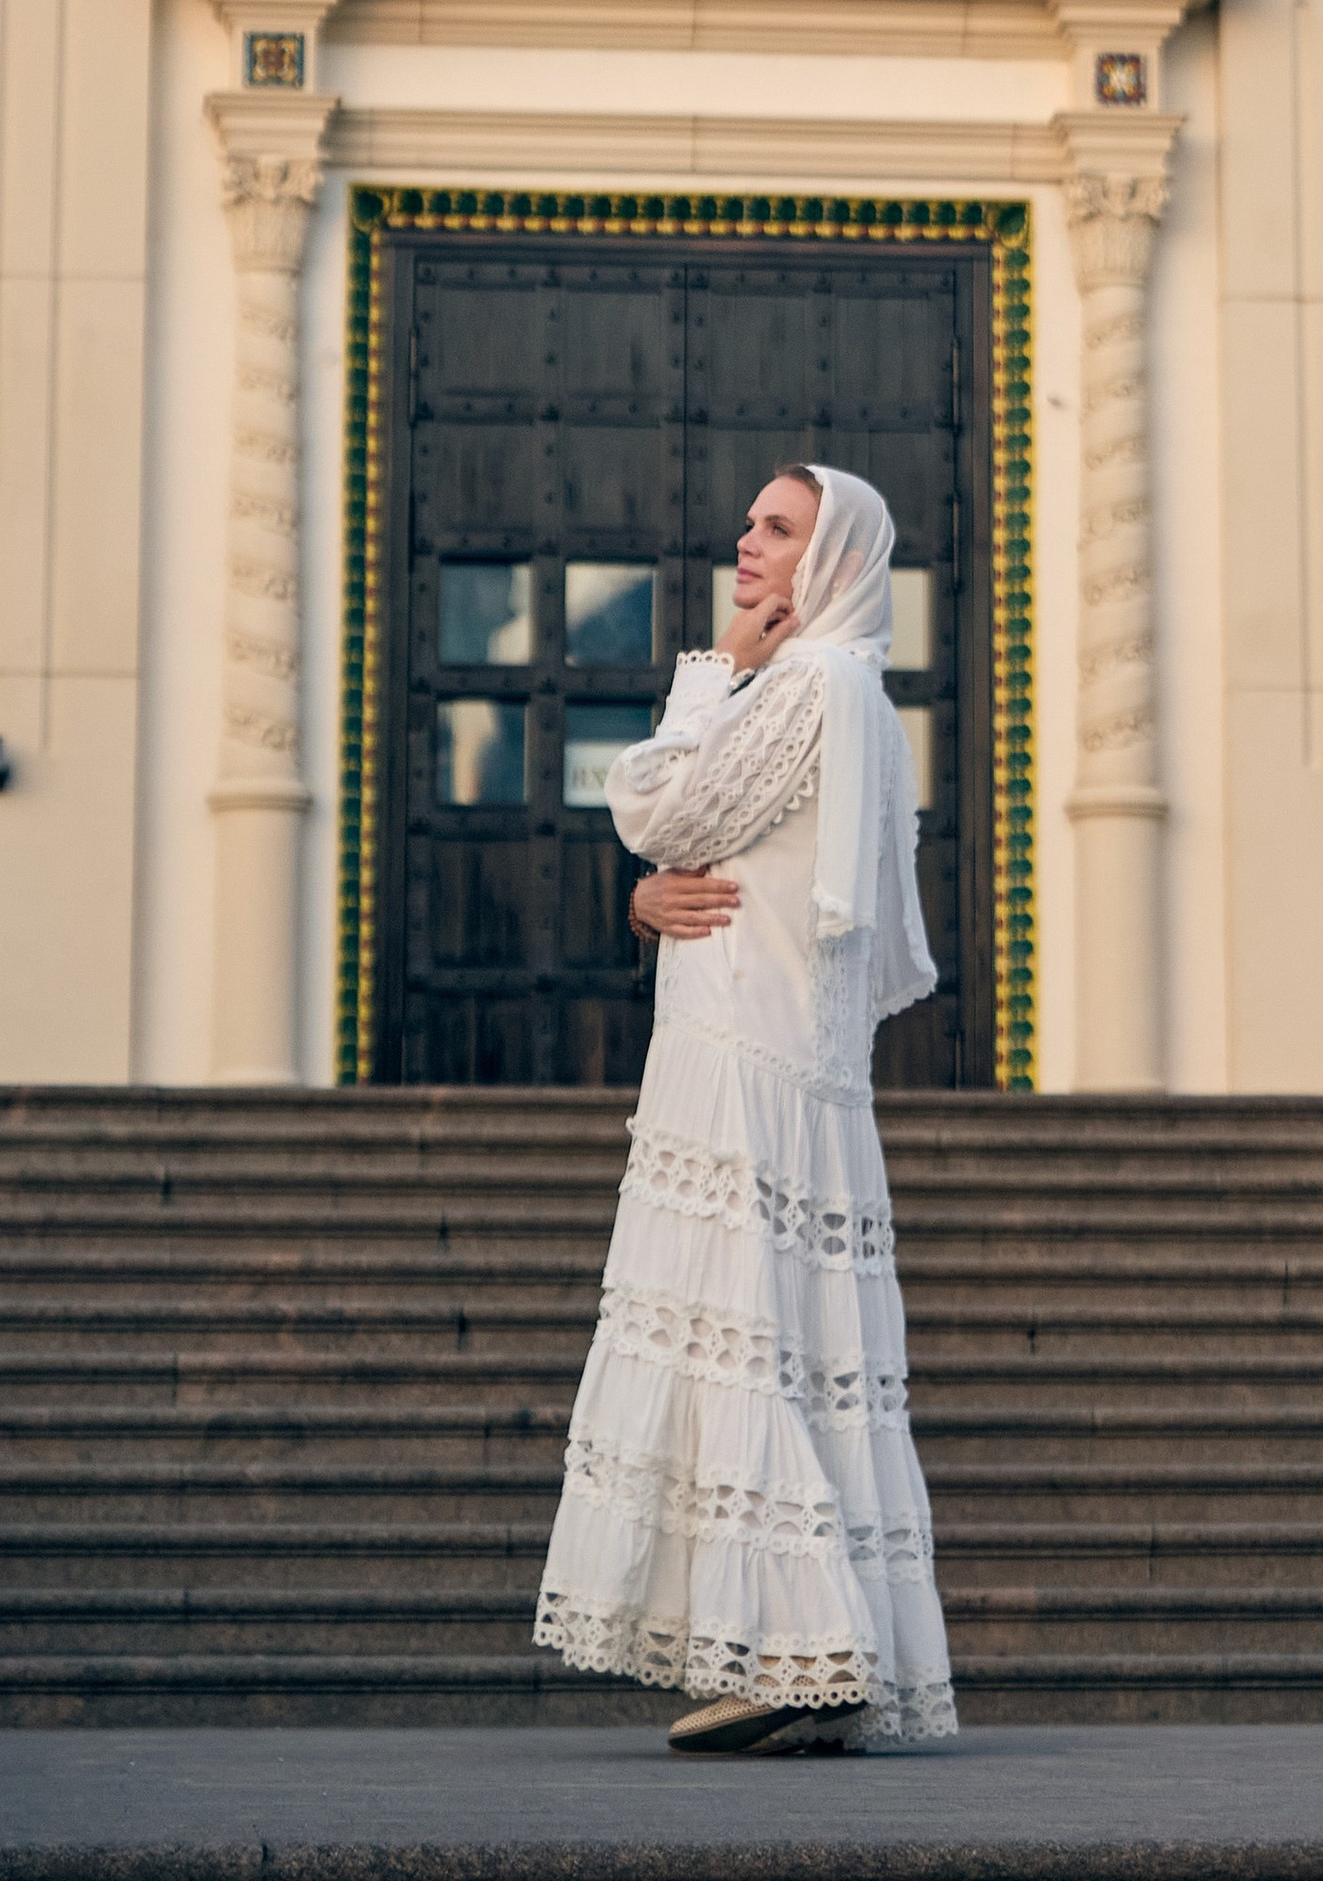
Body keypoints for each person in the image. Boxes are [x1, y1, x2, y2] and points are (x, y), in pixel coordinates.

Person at [533, 464, 955, 1756]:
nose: (747, 544)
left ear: (833, 561)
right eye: (752, 526)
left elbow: (658, 803)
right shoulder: (858, 704)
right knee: (785, 1356)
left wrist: (708, 667)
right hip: (801, 1082)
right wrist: (652, 899)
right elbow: (735, 864)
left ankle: (807, 1654)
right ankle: (812, 1655)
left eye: (780, 530)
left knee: (748, 1344)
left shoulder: (809, 687)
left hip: (745, 1075)